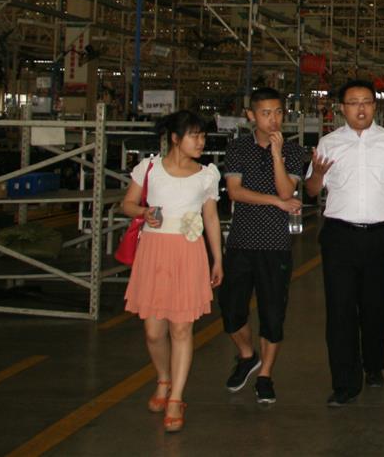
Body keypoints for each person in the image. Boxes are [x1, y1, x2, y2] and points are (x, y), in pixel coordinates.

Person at [306, 79, 384, 406]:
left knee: (375, 307)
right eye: (353, 103)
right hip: (339, 236)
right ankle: (345, 382)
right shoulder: (328, 143)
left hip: (379, 237)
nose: (361, 108)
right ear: (342, 108)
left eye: (366, 102)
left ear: (375, 106)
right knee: (340, 310)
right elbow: (312, 190)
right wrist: (316, 174)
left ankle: (374, 364)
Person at [121, 110, 223, 433]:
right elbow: (127, 204)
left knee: (181, 329)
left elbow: (211, 218)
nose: (201, 142)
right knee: (154, 332)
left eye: (203, 136)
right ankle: (163, 378)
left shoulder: (207, 175)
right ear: (175, 139)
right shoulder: (149, 168)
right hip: (154, 253)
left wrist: (217, 259)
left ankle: (176, 397)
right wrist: (144, 211)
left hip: (189, 253)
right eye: (195, 135)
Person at [219, 87, 306, 405]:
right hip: (241, 242)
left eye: (278, 112)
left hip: (275, 245)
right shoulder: (237, 148)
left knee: (272, 313)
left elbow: (286, 191)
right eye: (266, 113)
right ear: (251, 116)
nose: (273, 120)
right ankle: (246, 355)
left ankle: (265, 375)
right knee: (231, 309)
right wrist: (276, 203)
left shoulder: (294, 151)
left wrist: (276, 155)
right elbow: (235, 192)